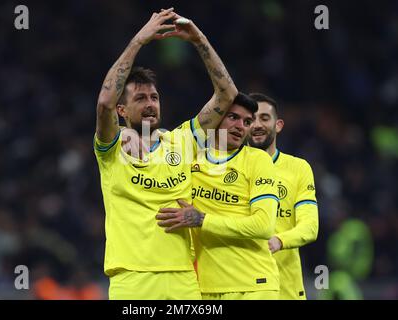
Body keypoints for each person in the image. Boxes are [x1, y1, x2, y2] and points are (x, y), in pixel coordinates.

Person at [94, 8, 238, 299]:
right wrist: (138, 42)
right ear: (123, 111)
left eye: (154, 97)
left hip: (183, 276)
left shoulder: (183, 141)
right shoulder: (112, 148)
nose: (150, 104)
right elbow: (105, 102)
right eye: (141, 98)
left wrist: (199, 40)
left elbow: (227, 95)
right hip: (132, 280)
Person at [156, 92, 281, 300]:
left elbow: (264, 225)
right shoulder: (190, 159)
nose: (241, 126)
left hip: (254, 286)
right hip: (206, 289)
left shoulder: (258, 160)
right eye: (233, 117)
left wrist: (202, 220)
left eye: (247, 121)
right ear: (216, 118)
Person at [246, 93, 319, 300]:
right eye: (250, 120)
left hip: (285, 289)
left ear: (278, 125)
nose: (257, 125)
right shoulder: (230, 170)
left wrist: (280, 240)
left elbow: (310, 226)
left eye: (264, 118)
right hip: (244, 286)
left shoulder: (298, 168)